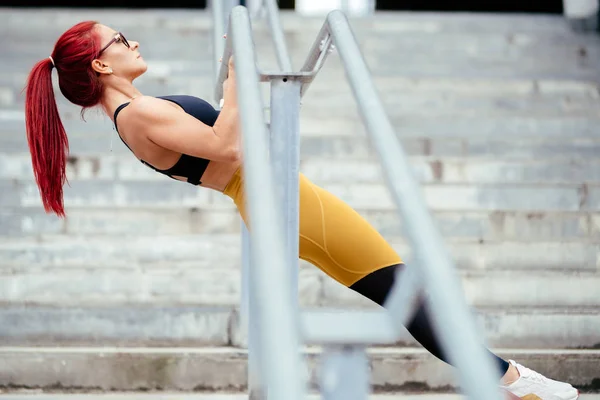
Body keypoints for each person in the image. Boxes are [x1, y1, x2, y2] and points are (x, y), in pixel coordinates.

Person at [24, 21, 579, 400]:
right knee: (404, 291)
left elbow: (224, 140)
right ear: (100, 63)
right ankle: (512, 380)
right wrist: (241, 72)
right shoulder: (136, 115)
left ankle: (507, 380)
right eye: (121, 40)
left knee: (402, 290)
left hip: (274, 196)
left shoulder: (136, 112)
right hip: (274, 197)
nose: (134, 42)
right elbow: (228, 146)